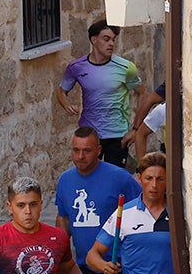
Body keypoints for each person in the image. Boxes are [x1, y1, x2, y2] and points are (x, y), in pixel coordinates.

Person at [54, 129, 138, 274]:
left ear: (99, 150)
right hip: (84, 267)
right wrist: (59, 250)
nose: (80, 156)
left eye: (87, 151)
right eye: (76, 150)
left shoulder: (120, 179)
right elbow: (64, 219)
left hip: (117, 265)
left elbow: (139, 212)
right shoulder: (65, 180)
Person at [53, 20, 160, 168]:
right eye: (106, 39)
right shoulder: (76, 67)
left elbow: (142, 94)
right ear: (94, 40)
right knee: (88, 174)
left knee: (114, 178)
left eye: (113, 40)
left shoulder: (126, 67)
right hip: (89, 132)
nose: (111, 44)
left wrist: (135, 129)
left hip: (117, 134)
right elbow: (61, 91)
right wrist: (66, 105)